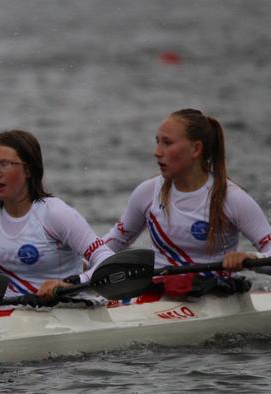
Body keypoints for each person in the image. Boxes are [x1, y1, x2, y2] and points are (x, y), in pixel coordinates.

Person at [0, 129, 114, 301]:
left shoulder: (56, 214)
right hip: (15, 310)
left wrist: (71, 283)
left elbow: (106, 259)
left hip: (69, 307)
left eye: (4, 164)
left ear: (28, 170)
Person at [103, 109, 271, 287]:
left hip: (215, 294)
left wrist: (250, 258)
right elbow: (113, 244)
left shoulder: (232, 199)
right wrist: (84, 265)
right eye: (158, 142)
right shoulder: (147, 193)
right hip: (160, 294)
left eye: (167, 143)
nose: (157, 152)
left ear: (196, 149)